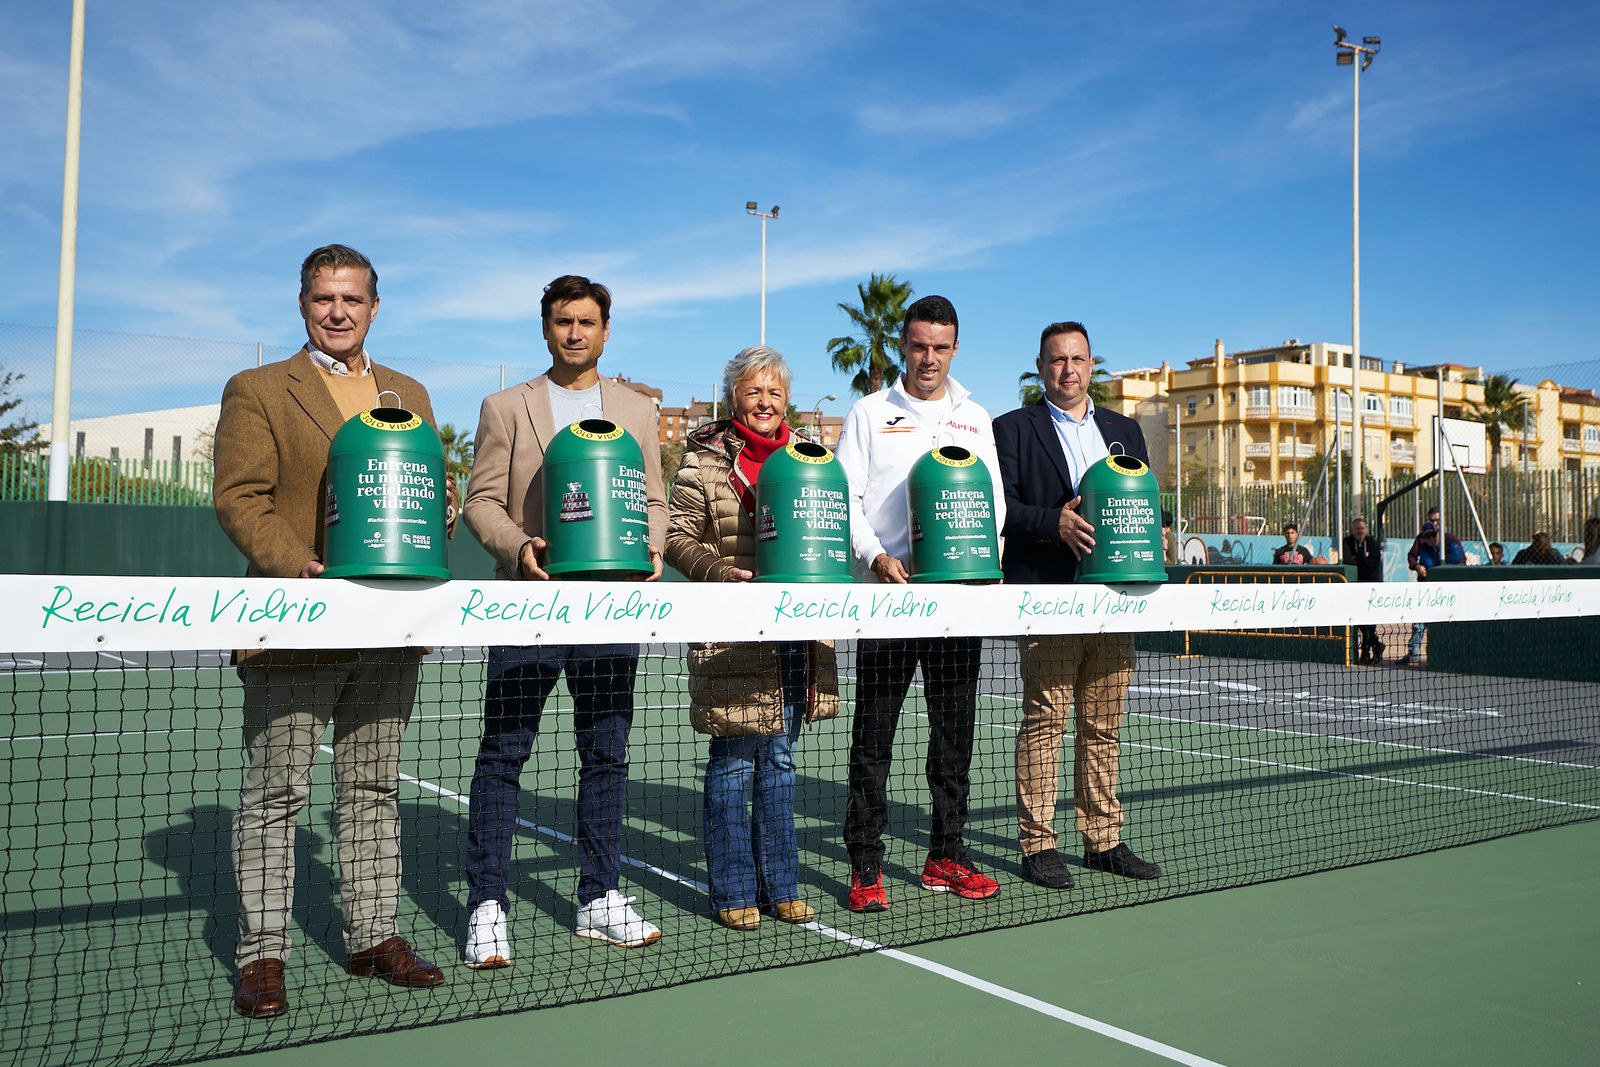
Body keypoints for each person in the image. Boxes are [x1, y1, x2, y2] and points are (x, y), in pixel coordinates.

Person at [214, 244, 450, 1019]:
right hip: (296, 619)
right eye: (324, 299)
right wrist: (301, 568)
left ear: (375, 307)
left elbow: (422, 490)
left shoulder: (408, 391)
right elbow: (241, 498)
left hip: (391, 625)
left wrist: (438, 514)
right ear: (304, 304)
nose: (338, 311)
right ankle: (263, 954)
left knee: (372, 786)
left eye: (352, 298)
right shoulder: (257, 389)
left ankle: (373, 934)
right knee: (278, 791)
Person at [461, 275, 668, 964]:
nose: (574, 332)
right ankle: (488, 903)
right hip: (531, 606)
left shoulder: (639, 411)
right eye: (561, 321)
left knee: (606, 752)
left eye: (585, 321)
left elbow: (656, 500)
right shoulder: (505, 406)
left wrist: (655, 544)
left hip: (609, 608)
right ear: (545, 329)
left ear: (606, 330)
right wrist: (520, 547)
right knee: (504, 753)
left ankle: (599, 896)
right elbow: (481, 501)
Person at [835, 294, 1005, 911]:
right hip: (889, 600)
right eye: (918, 345)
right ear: (902, 346)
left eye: (940, 346)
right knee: (873, 739)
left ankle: (946, 857)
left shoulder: (975, 416)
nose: (928, 357)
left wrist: (984, 566)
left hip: (956, 604)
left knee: (955, 736)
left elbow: (994, 502)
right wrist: (876, 557)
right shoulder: (868, 412)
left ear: (954, 348)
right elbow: (846, 496)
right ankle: (865, 865)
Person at [665, 345, 840, 930]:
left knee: (781, 762)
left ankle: (781, 885)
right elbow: (676, 537)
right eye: (752, 391)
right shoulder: (703, 459)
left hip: (797, 635)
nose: (764, 402)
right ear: (733, 397)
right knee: (735, 762)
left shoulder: (810, 459)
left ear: (786, 399)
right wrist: (722, 574)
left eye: (774, 391)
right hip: (734, 633)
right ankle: (735, 890)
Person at [993, 320, 1162, 889]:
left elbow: (1140, 501)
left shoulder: (1124, 431)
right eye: (1057, 360)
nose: (1069, 369)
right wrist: (1054, 522)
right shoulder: (1011, 429)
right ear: (1041, 368)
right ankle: (1038, 845)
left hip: (1114, 602)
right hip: (1049, 598)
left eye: (1079, 359)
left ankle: (1103, 840)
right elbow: (1002, 510)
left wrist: (1158, 531)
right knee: (1045, 721)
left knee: (1104, 726)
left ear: (1093, 366)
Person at [1401, 521, 1464, 666]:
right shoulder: (1422, 546)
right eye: (1427, 536)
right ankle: (1414, 655)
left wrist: (1442, 555)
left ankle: (1440, 654)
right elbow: (1421, 561)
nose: (1430, 539)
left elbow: (1458, 559)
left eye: (1433, 535)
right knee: (1419, 623)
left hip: (1448, 591)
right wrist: (1417, 566)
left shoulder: (1451, 541)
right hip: (1426, 590)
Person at [1343, 517, 1383, 664]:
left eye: (1362, 528)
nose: (1360, 531)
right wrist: (1363, 558)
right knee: (1359, 620)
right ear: (1352, 530)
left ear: (1366, 529)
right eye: (1357, 529)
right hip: (1355, 586)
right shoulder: (1347, 542)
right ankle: (1376, 646)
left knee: (1370, 621)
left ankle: (1368, 650)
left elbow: (1374, 563)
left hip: (1371, 586)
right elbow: (1347, 560)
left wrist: (1359, 558)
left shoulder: (1372, 543)